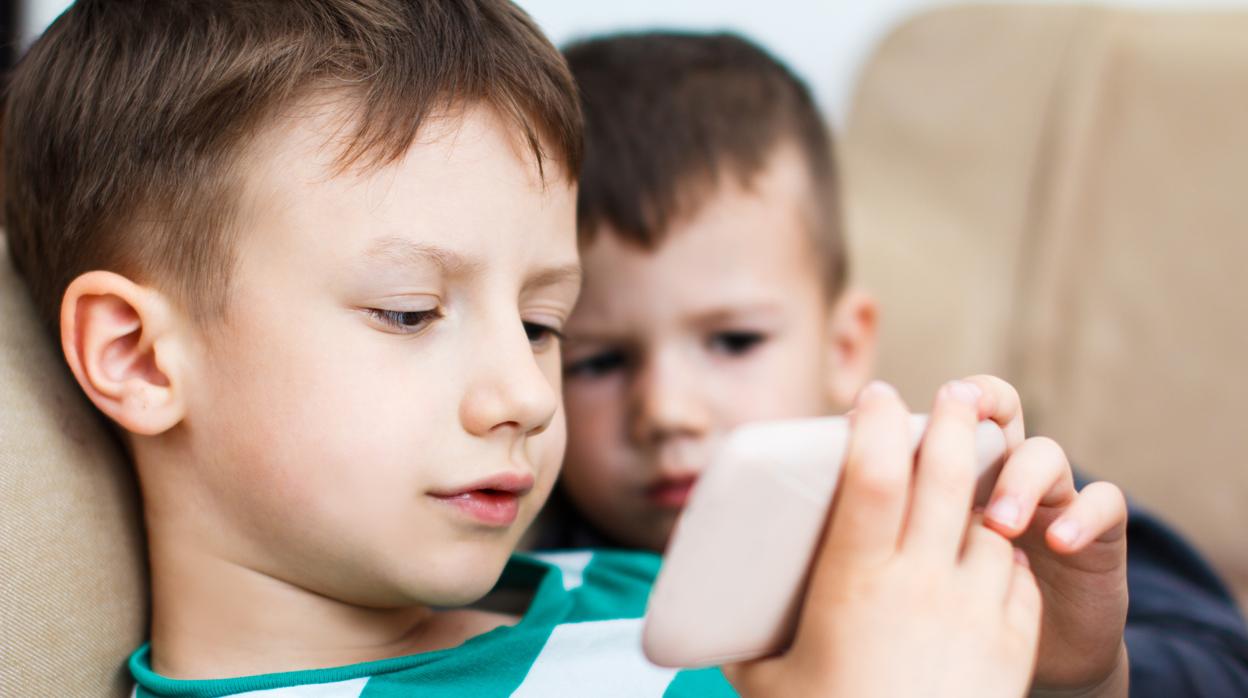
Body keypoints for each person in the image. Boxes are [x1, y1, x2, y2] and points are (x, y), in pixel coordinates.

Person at [3, 2, 1042, 696]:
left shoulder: (623, 584)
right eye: (410, 312)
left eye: (544, 323)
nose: (523, 395)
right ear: (138, 356)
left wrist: (1072, 672)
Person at [542, 30, 1248, 697]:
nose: (666, 411)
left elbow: (1222, 665)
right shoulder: (523, 559)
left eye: (734, 342)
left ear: (844, 347)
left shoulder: (970, 499)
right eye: (599, 360)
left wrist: (1080, 675)